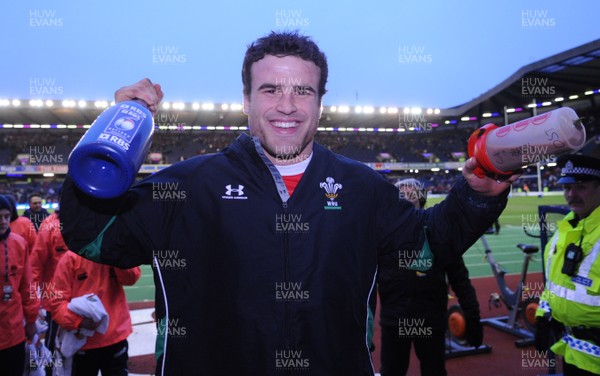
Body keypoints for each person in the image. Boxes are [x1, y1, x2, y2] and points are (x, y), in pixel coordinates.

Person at [59, 31, 518, 375]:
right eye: (270, 89)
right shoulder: (188, 185)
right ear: (245, 100)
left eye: (302, 91)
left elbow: (427, 246)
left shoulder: (362, 187)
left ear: (321, 102)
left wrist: (476, 196)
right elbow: (88, 234)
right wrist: (114, 129)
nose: (287, 105)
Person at [378, 178, 483, 376]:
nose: (406, 197)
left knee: (434, 371)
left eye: (411, 194)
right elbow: (363, 281)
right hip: (395, 321)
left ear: (421, 199)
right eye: (401, 194)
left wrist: (473, 317)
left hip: (431, 320)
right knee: (392, 372)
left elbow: (459, 279)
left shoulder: (439, 233)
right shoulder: (382, 234)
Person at [535, 154, 600, 375]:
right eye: (567, 188)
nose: (571, 194)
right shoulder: (562, 233)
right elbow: (555, 284)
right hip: (574, 352)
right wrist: (543, 316)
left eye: (580, 187)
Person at [45, 250, 140, 375]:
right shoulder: (70, 258)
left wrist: (115, 254)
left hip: (115, 337)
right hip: (83, 343)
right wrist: (79, 322)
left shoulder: (114, 252)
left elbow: (131, 278)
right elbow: (56, 302)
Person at [0, 195, 39, 376]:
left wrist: (31, 320)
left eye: (6, 216)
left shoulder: (19, 243)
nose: (3, 221)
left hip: (14, 331)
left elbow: (27, 286)